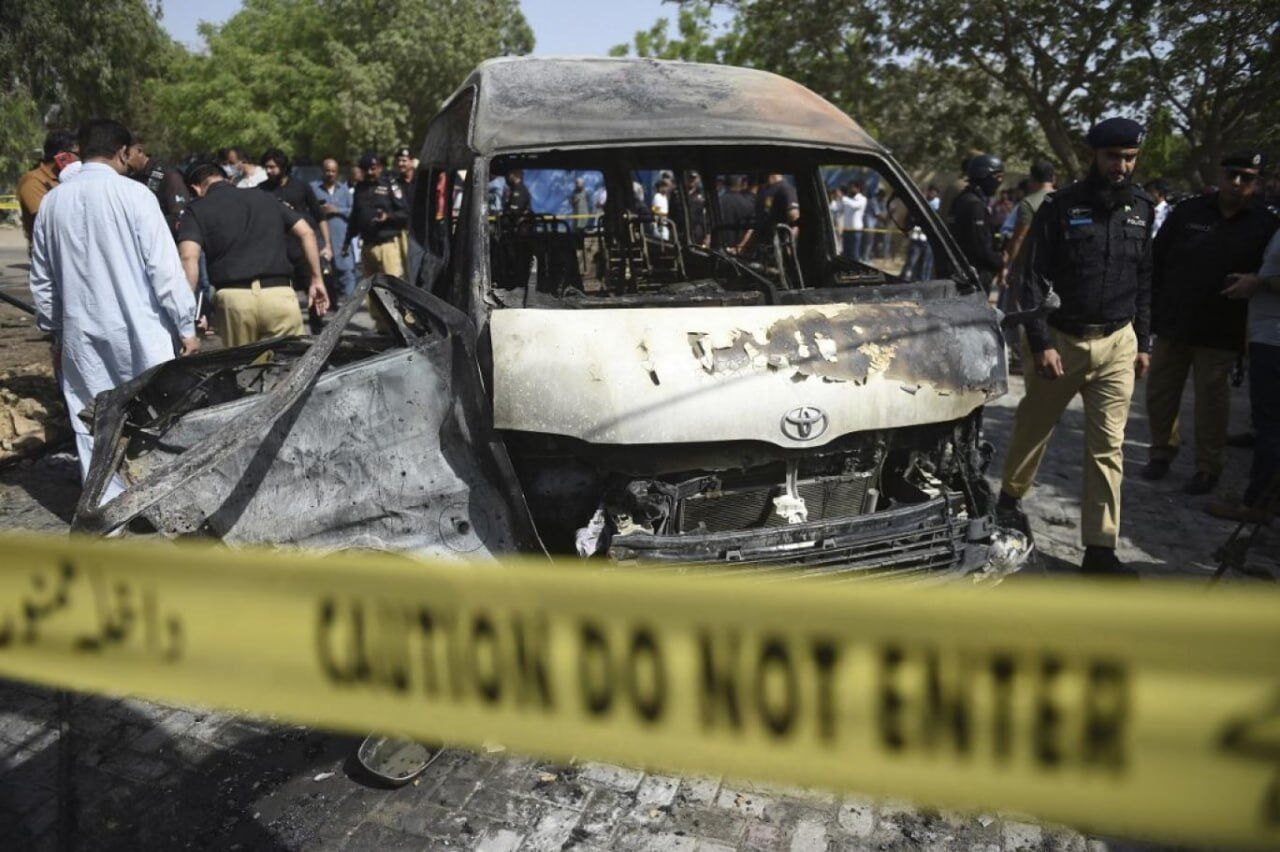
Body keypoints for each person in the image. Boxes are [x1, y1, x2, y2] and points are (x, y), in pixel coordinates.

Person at [997, 118, 1155, 575]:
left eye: (1129, 158)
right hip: (1061, 342)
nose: (1121, 166)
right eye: (1113, 157)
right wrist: (1040, 341)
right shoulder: (1061, 207)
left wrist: (1143, 341)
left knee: (1109, 447)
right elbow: (1030, 278)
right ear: (1095, 157)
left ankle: (1100, 550)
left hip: (1118, 344)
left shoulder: (1142, 209)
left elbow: (1145, 279)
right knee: (1034, 428)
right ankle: (1007, 502)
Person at [28, 119, 198, 498]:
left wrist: (54, 330)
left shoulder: (53, 201)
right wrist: (185, 326)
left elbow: (42, 280)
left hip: (80, 333)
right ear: (122, 152)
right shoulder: (136, 196)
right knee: (154, 416)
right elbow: (164, 270)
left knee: (92, 420)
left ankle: (107, 505)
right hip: (141, 331)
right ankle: (156, 498)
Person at [1142, 151, 1278, 495]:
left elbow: (1268, 274)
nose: (1236, 183)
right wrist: (1149, 313)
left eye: (1246, 178)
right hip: (1174, 321)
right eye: (1232, 174)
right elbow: (1155, 260)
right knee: (1160, 393)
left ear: (1256, 182)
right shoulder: (1188, 211)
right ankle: (1161, 452)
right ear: (1221, 174)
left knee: (1212, 402)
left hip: (1222, 327)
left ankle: (1207, 467)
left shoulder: (1265, 223)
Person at [179, 160, 328, 347]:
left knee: (244, 371)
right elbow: (307, 232)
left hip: (235, 301)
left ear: (195, 189)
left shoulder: (195, 210)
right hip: (280, 296)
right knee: (293, 369)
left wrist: (187, 314)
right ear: (229, 179)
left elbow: (188, 256)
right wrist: (316, 279)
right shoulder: (267, 198)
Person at [1210, 227, 1280, 522]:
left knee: (1271, 426)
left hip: (1275, 341)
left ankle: (1257, 504)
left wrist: (1258, 282)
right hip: (1266, 336)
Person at [260, 148, 333, 294]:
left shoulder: (301, 187)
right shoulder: (262, 190)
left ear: (282, 167)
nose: (268, 171)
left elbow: (320, 216)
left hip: (303, 250)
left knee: (313, 288)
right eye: (266, 167)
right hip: (277, 253)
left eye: (272, 167)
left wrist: (327, 245)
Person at [1001, 160, 1056, 317]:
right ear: (1053, 178)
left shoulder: (1028, 203)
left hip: (1029, 268)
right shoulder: (1063, 200)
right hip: (1056, 267)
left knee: (1021, 312)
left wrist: (1008, 266)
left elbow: (1019, 239)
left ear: (1032, 179)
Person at [346, 153, 410, 280]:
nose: (369, 172)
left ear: (380, 167)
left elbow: (405, 214)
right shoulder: (360, 187)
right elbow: (355, 215)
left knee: (392, 289)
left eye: (373, 168)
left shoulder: (390, 185)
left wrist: (388, 216)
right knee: (372, 290)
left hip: (387, 245)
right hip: (367, 246)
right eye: (366, 169)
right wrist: (347, 240)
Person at [947, 153, 1005, 292]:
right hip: (973, 278)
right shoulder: (974, 204)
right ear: (984, 175)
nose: (1000, 182)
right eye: (998, 177)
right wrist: (1001, 260)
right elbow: (980, 248)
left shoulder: (964, 199)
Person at [18, 131, 78, 244]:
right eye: (78, 155)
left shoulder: (70, 178)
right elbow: (46, 218)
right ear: (62, 156)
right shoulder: (33, 181)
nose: (82, 160)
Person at [125, 137, 190, 238]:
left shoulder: (167, 174)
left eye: (127, 155)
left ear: (139, 151)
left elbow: (180, 216)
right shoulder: (128, 178)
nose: (125, 161)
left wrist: (145, 226)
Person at [312, 158, 357, 303]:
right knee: (325, 274)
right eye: (327, 170)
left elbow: (354, 211)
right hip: (321, 240)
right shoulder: (313, 189)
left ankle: (350, 304)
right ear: (322, 170)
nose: (330, 173)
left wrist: (337, 210)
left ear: (337, 172)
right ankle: (329, 304)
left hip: (341, 238)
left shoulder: (343, 190)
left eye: (333, 171)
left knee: (347, 272)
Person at [736, 174, 798, 256]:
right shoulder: (762, 190)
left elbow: (795, 221)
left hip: (779, 257)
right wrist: (741, 250)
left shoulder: (785, 189)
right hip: (763, 256)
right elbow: (757, 227)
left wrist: (787, 246)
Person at [720, 175, 755, 247]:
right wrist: (740, 247)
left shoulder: (716, 202)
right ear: (741, 183)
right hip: (738, 253)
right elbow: (751, 229)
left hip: (717, 250)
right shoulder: (748, 204)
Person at [844, 181, 867, 259]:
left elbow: (855, 205)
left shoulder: (862, 199)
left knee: (854, 254)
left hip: (855, 231)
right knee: (846, 254)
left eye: (852, 187)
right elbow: (837, 208)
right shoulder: (847, 199)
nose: (850, 189)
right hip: (846, 230)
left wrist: (843, 198)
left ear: (858, 188)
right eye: (849, 187)